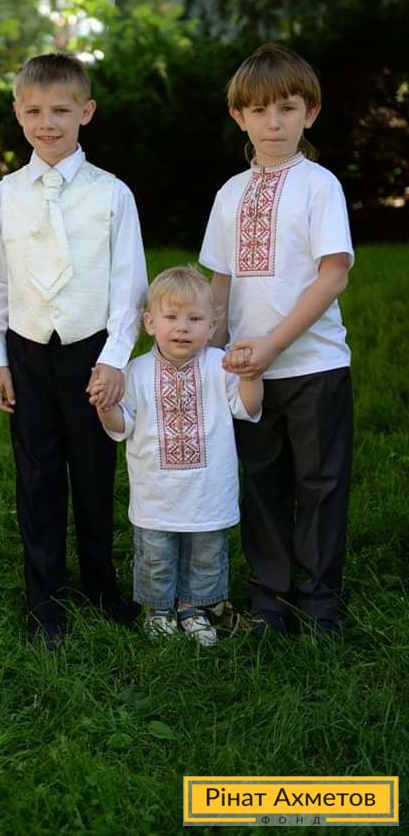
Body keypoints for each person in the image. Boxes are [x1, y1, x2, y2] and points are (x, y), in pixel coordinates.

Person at [0, 53, 147, 646]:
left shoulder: (112, 194)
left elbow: (129, 284)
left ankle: (101, 586)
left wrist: (115, 357)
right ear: (18, 114)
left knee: (95, 474)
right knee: (37, 475)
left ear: (86, 112)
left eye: (60, 110)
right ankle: (44, 600)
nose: (47, 123)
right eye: (34, 111)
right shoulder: (5, 196)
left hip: (90, 350)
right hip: (27, 350)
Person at [199, 43, 354, 638]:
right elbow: (221, 282)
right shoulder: (229, 193)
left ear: (309, 113)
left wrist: (275, 344)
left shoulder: (319, 186)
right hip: (247, 372)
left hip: (314, 364)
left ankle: (319, 605)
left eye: (287, 109)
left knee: (320, 483)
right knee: (261, 483)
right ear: (239, 116)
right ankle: (269, 598)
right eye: (259, 111)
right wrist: (213, 351)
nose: (274, 123)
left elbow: (333, 274)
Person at [95, 266, 263, 646]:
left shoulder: (220, 366)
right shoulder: (135, 372)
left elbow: (248, 408)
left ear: (212, 324)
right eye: (171, 317)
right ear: (149, 323)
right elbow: (122, 426)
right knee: (156, 556)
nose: (182, 328)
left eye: (195, 319)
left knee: (206, 555)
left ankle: (194, 608)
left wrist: (252, 376)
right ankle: (158, 611)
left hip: (208, 491)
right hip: (156, 493)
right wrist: (105, 407)